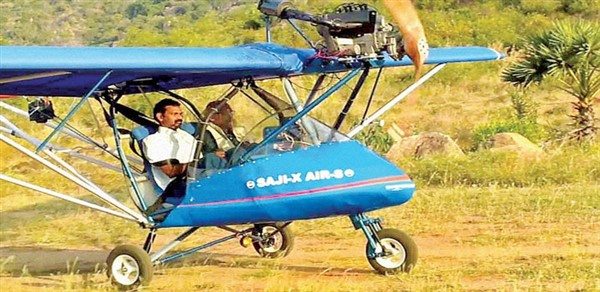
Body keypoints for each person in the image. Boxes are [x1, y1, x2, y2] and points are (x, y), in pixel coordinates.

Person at [142, 99, 196, 211]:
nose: (180, 118)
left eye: (181, 114)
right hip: (177, 187)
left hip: (199, 177)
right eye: (174, 114)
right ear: (160, 117)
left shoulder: (187, 137)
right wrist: (198, 163)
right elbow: (171, 172)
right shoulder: (153, 141)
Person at [201, 99, 248, 169]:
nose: (231, 116)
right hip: (227, 166)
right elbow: (212, 154)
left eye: (231, 112)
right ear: (212, 117)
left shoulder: (231, 130)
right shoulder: (206, 133)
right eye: (227, 113)